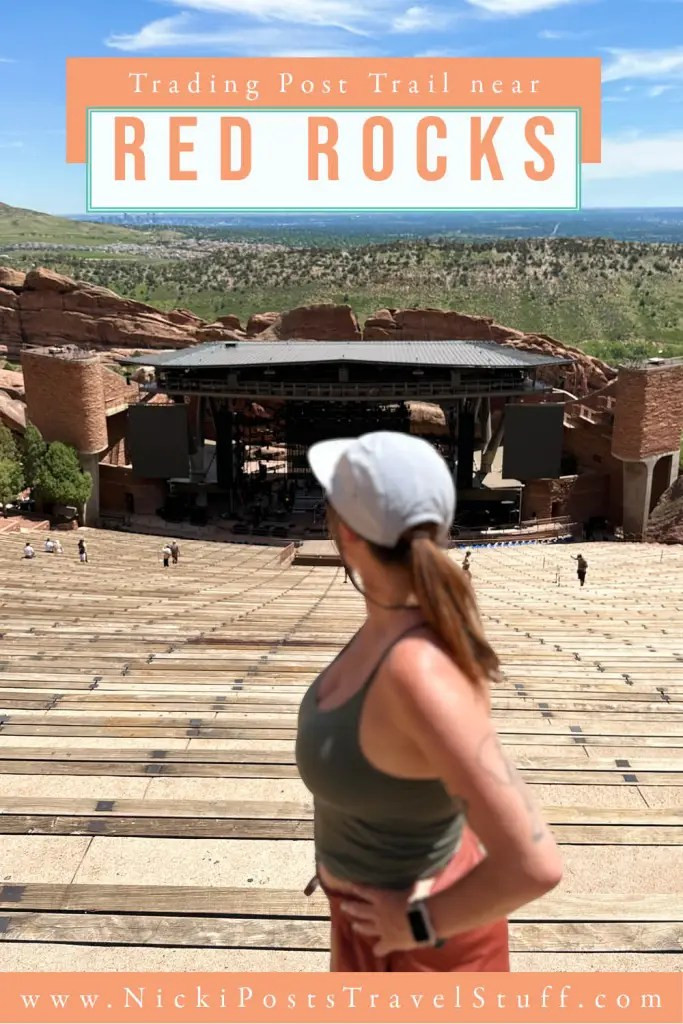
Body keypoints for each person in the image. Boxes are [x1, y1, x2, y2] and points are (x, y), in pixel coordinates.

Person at [296, 432, 562, 973]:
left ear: (345, 532)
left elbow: (535, 865)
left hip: (420, 948)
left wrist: (416, 921)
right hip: (371, 919)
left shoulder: (419, 674)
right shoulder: (388, 628)